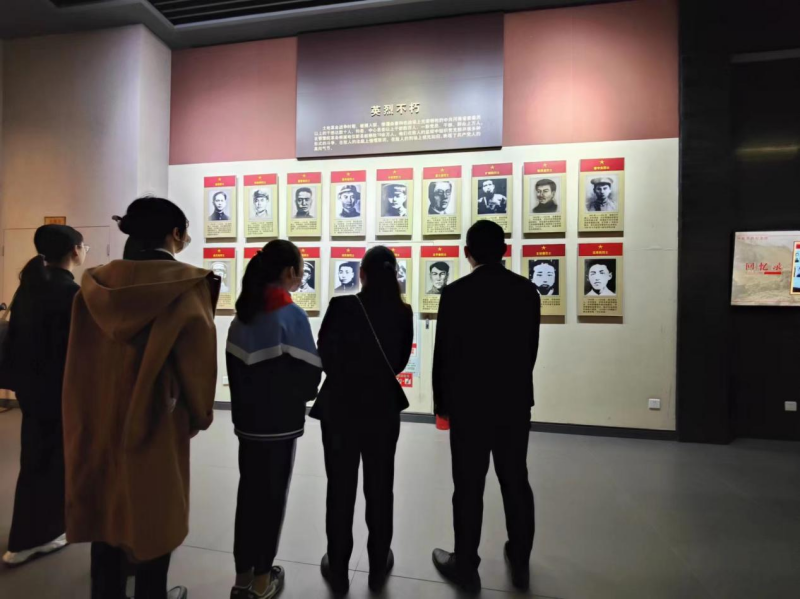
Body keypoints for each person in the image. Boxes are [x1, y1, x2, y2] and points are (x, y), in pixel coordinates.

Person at [62, 197, 219, 599]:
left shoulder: (91, 289)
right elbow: (198, 369)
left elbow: (77, 363)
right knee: (154, 522)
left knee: (105, 522)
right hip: (155, 422)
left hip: (96, 419)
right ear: (175, 234)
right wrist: (199, 415)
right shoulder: (187, 289)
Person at [432, 220, 540, 594]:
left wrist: (442, 405)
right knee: (515, 481)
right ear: (505, 250)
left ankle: (466, 565)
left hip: (468, 406)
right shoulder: (526, 292)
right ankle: (521, 562)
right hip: (513, 403)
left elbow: (443, 356)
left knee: (468, 486)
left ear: (467, 253)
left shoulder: (455, 294)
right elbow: (530, 352)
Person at [311, 246, 413, 595]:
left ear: (362, 274)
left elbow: (324, 354)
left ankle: (338, 566)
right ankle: (378, 562)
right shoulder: (402, 312)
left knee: (340, 487)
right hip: (382, 408)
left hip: (340, 407)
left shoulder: (342, 306)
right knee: (380, 488)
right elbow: (399, 362)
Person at [226, 240, 322, 599]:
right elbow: (310, 376)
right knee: (272, 499)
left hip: (247, 427)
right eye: (301, 270)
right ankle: (263, 581)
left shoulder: (242, 315)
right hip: (280, 427)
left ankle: (241, 577)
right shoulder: (291, 315)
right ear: (289, 272)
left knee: (248, 496)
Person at [0, 225, 87, 566]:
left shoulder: (30, 286)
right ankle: (35, 538)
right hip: (59, 391)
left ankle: (33, 533)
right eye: (83, 246)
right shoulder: (70, 292)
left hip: (31, 390)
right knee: (52, 462)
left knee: (37, 459)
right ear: (75, 250)